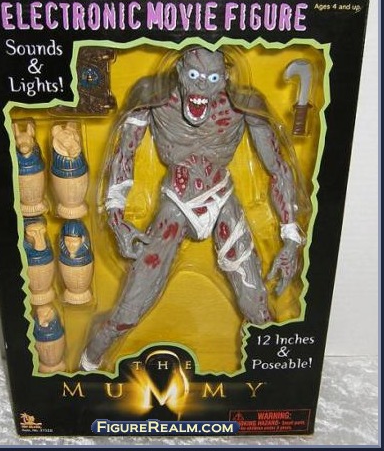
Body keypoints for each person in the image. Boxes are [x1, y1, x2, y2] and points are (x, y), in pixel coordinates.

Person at [81, 47, 307, 370]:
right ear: (179, 72)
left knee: (256, 306)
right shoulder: (154, 99)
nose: (201, 86)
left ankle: (273, 377)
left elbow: (279, 168)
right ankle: (87, 366)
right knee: (130, 308)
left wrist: (291, 238)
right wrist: (116, 217)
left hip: (222, 200)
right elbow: (124, 154)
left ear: (225, 78)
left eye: (212, 78)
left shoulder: (243, 106)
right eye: (194, 75)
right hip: (176, 205)